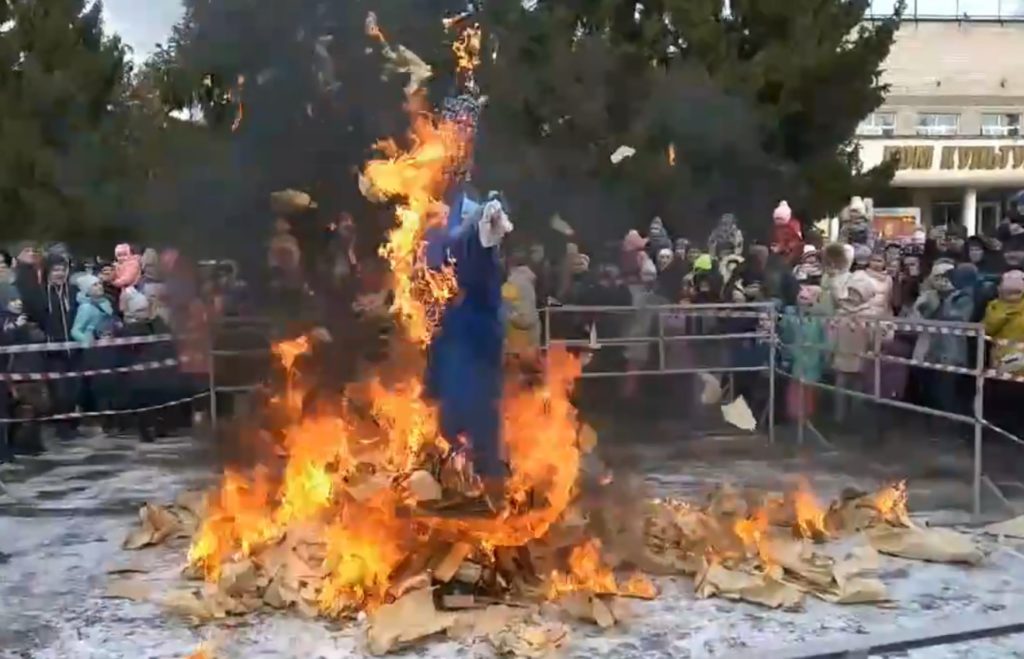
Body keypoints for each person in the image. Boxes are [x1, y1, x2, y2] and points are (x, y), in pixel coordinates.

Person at [983, 270, 1024, 436]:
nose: (1012, 296)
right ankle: (1001, 432)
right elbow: (987, 328)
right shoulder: (994, 306)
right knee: (1002, 400)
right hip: (1000, 361)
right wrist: (1006, 314)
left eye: (1016, 291)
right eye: (1009, 291)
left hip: (1021, 363)